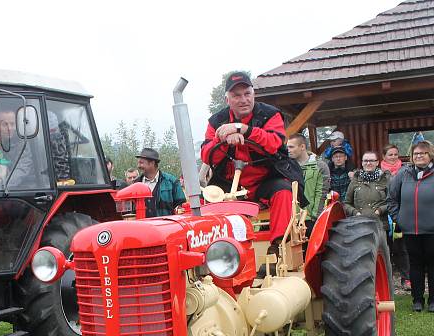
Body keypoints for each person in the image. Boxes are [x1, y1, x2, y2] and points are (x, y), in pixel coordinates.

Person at [201, 71, 305, 251]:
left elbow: (274, 143)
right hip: (229, 183)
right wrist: (223, 139)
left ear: (253, 94)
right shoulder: (216, 121)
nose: (243, 100)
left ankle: (279, 246)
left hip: (265, 180)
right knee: (205, 202)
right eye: (236, 96)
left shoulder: (270, 114)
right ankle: (214, 251)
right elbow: (207, 155)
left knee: (283, 191)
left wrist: (243, 130)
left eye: (247, 94)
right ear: (227, 100)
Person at [387, 140, 434, 312]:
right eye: (416, 154)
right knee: (415, 264)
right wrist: (398, 217)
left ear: (431, 156)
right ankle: (417, 300)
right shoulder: (403, 175)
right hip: (410, 230)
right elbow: (391, 199)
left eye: (423, 153)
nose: (419, 156)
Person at [381, 143, 410, 290]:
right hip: (384, 217)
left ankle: (406, 279)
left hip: (399, 215)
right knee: (385, 249)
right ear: (384, 156)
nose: (393, 157)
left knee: (401, 247)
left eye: (395, 154)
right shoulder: (378, 172)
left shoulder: (406, 171)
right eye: (390, 154)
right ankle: (386, 281)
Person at [287, 133, 330, 230]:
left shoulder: (320, 166)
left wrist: (315, 217)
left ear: (302, 147)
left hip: (310, 219)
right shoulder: (286, 167)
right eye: (287, 147)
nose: (288, 150)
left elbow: (321, 194)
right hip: (289, 219)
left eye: (291, 147)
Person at [343, 150, 390, 231]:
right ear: (362, 163)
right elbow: (346, 204)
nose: (368, 163)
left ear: (377, 162)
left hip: (380, 226)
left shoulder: (385, 179)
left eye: (371, 160)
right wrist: (356, 213)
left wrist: (379, 211)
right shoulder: (355, 180)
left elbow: (392, 202)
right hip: (359, 226)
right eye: (365, 161)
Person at [134, 148, 185, 217]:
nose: (138, 166)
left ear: (152, 163)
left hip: (165, 226)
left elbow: (181, 207)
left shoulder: (172, 182)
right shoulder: (136, 184)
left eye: (141, 163)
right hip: (143, 226)